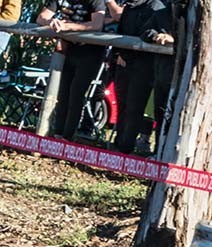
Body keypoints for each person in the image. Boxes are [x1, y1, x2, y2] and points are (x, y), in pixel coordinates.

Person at [107, 0, 174, 155]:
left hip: (145, 67)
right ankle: (118, 145)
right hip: (123, 61)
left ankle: (126, 149)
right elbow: (142, 32)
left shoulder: (157, 6)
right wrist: (119, 54)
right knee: (122, 105)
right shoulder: (130, 6)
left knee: (134, 108)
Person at [36, 0, 108, 141]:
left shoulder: (96, 1)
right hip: (68, 50)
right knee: (63, 92)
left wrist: (68, 26)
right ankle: (57, 134)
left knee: (76, 93)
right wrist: (51, 22)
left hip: (90, 52)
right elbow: (41, 17)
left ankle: (67, 137)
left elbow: (97, 24)